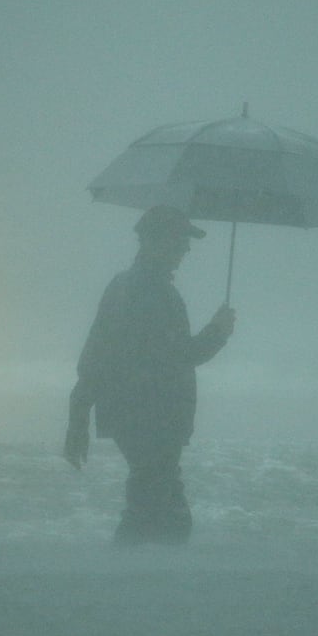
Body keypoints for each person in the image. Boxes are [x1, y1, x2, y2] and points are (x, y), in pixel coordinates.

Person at [65, 205, 236, 545]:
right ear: (155, 241)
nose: (186, 249)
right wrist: (218, 331)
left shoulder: (123, 286)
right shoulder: (152, 292)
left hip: (134, 418)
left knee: (151, 510)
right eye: (180, 241)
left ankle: (130, 582)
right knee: (164, 518)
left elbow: (94, 356)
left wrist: (78, 417)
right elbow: (178, 356)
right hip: (152, 419)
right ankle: (130, 585)